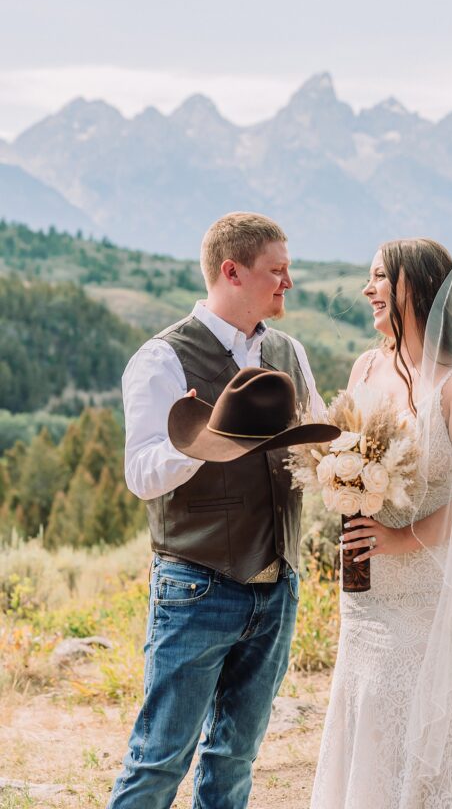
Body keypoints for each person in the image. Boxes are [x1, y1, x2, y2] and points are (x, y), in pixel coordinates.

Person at [108, 211, 329, 809]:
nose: (288, 283)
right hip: (196, 585)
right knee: (159, 760)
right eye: (276, 271)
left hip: (278, 585)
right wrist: (201, 446)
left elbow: (318, 442)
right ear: (232, 271)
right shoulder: (161, 359)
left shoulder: (290, 351)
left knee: (234, 758)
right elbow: (141, 474)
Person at [311, 238, 452, 809]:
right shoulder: (366, 365)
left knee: (430, 723)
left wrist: (401, 537)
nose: (367, 290)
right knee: (373, 718)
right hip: (365, 593)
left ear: (417, 287)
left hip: (430, 591)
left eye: (380, 278)